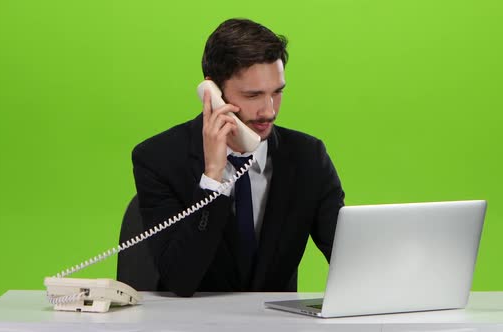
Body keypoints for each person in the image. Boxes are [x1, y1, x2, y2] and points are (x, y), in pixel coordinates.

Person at [132, 18, 345, 297]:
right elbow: (180, 280)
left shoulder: (308, 157)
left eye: (277, 92)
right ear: (213, 92)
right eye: (253, 95)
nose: (269, 111)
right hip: (190, 322)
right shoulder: (158, 159)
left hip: (276, 325)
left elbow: (350, 260)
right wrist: (213, 176)